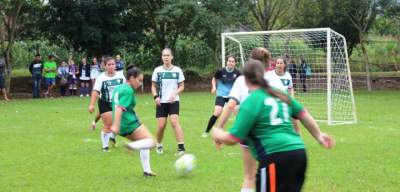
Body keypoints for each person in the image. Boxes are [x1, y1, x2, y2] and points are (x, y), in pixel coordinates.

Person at [212, 59, 335, 192]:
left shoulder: (251, 101)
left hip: (275, 157)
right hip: (298, 153)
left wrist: (217, 133)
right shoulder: (279, 93)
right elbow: (302, 113)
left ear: (245, 80)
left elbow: (233, 138)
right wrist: (319, 135)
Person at [215, 47, 285, 192]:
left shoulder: (242, 79)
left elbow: (230, 105)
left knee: (249, 176)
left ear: (251, 62)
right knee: (275, 179)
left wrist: (219, 129)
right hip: (273, 133)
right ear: (269, 63)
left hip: (249, 131)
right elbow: (289, 108)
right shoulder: (276, 80)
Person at [111, 66, 156, 177]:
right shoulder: (128, 90)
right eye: (139, 80)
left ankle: (147, 171)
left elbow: (120, 106)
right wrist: (115, 126)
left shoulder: (119, 87)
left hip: (124, 124)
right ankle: (131, 146)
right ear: (131, 78)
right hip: (128, 123)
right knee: (152, 142)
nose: (140, 83)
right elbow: (119, 108)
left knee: (143, 142)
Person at [151, 48, 186, 156]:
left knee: (174, 121)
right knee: (161, 126)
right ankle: (159, 144)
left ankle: (181, 148)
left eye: (168, 55)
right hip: (161, 102)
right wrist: (155, 97)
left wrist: (175, 93)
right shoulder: (157, 70)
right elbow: (153, 86)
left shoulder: (177, 70)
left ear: (172, 57)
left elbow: (182, 86)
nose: (166, 57)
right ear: (162, 57)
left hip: (174, 101)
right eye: (164, 55)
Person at [88, 57, 125, 151]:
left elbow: (125, 89)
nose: (111, 66)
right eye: (109, 64)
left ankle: (112, 136)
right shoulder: (101, 78)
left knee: (118, 123)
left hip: (117, 103)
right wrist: (92, 104)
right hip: (104, 102)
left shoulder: (120, 76)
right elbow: (96, 91)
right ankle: (105, 146)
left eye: (113, 64)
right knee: (108, 124)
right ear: (105, 66)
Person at [202, 55, 241, 137]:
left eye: (232, 61)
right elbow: (214, 78)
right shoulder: (221, 71)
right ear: (227, 62)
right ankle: (207, 131)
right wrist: (214, 87)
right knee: (217, 112)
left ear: (235, 63)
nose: (231, 63)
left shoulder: (237, 73)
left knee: (238, 112)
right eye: (229, 61)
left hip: (232, 95)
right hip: (221, 95)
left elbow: (241, 82)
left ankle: (239, 133)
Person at [266, 57, 301, 134]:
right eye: (277, 63)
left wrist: (292, 98)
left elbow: (290, 88)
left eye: (281, 63)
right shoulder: (269, 75)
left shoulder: (288, 75)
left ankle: (298, 136)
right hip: (273, 102)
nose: (279, 65)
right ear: (275, 64)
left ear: (284, 65)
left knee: (294, 118)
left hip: (285, 101)